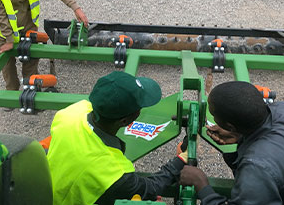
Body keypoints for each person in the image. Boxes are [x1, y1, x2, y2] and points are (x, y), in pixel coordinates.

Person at [47, 71, 187, 205]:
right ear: (124, 121)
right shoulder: (114, 173)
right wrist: (180, 161)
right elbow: (150, 188)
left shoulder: (70, 113)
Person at [179, 81, 284, 205]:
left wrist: (202, 185)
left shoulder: (256, 167)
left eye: (214, 115)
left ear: (230, 126)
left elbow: (260, 168)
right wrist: (242, 136)